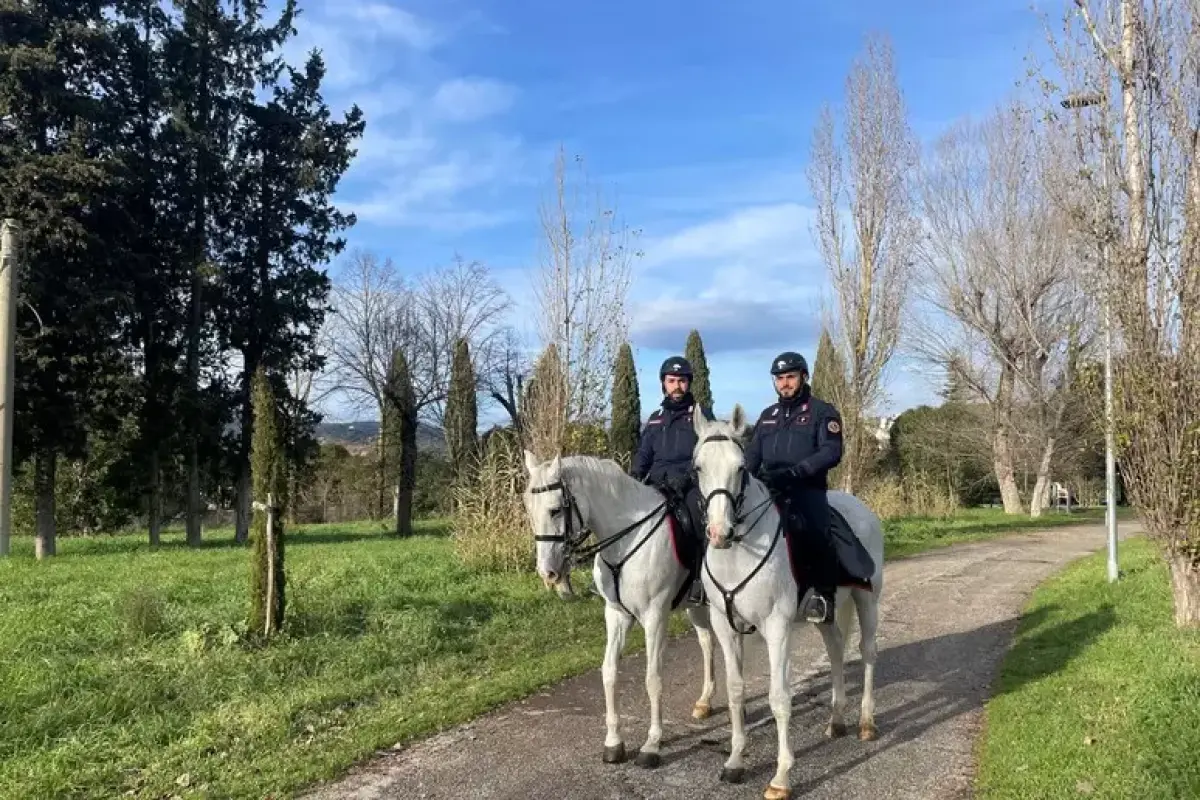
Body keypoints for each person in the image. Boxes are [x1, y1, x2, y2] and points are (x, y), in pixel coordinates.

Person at [744, 351, 844, 624]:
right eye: (780, 379)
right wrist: (744, 479)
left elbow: (831, 451)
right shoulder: (767, 416)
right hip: (769, 489)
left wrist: (798, 471)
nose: (785, 383)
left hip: (805, 488)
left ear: (803, 376)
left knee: (817, 530)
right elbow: (752, 456)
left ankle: (823, 596)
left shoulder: (822, 412)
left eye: (790, 377)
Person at [630, 356, 714, 603]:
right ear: (663, 384)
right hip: (656, 484)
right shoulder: (656, 417)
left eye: (682, 381)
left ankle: (700, 581)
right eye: (672, 381)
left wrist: (687, 478)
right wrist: (634, 477)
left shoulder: (701, 415)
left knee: (698, 522)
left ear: (689, 383)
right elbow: (644, 453)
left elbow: (708, 454)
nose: (677, 386)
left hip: (688, 485)